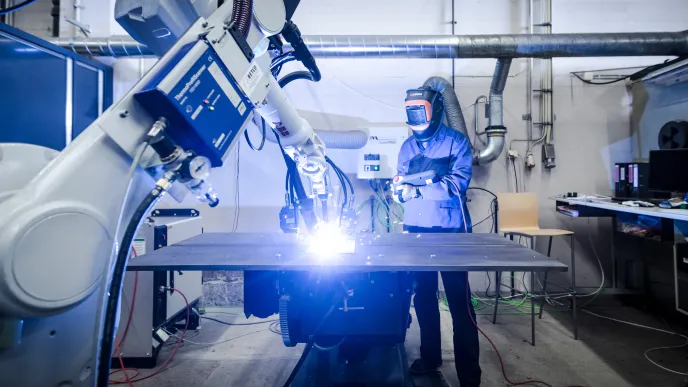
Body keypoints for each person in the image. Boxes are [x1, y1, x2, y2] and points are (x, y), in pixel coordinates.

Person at [394, 86, 481, 387]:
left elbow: (458, 184)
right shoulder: (407, 147)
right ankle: (430, 356)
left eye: (421, 112)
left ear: (436, 111)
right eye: (411, 113)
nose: (416, 120)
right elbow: (401, 188)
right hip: (417, 232)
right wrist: (399, 192)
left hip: (451, 232)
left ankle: (469, 375)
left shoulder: (456, 142)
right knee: (424, 298)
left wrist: (418, 188)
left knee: (459, 303)